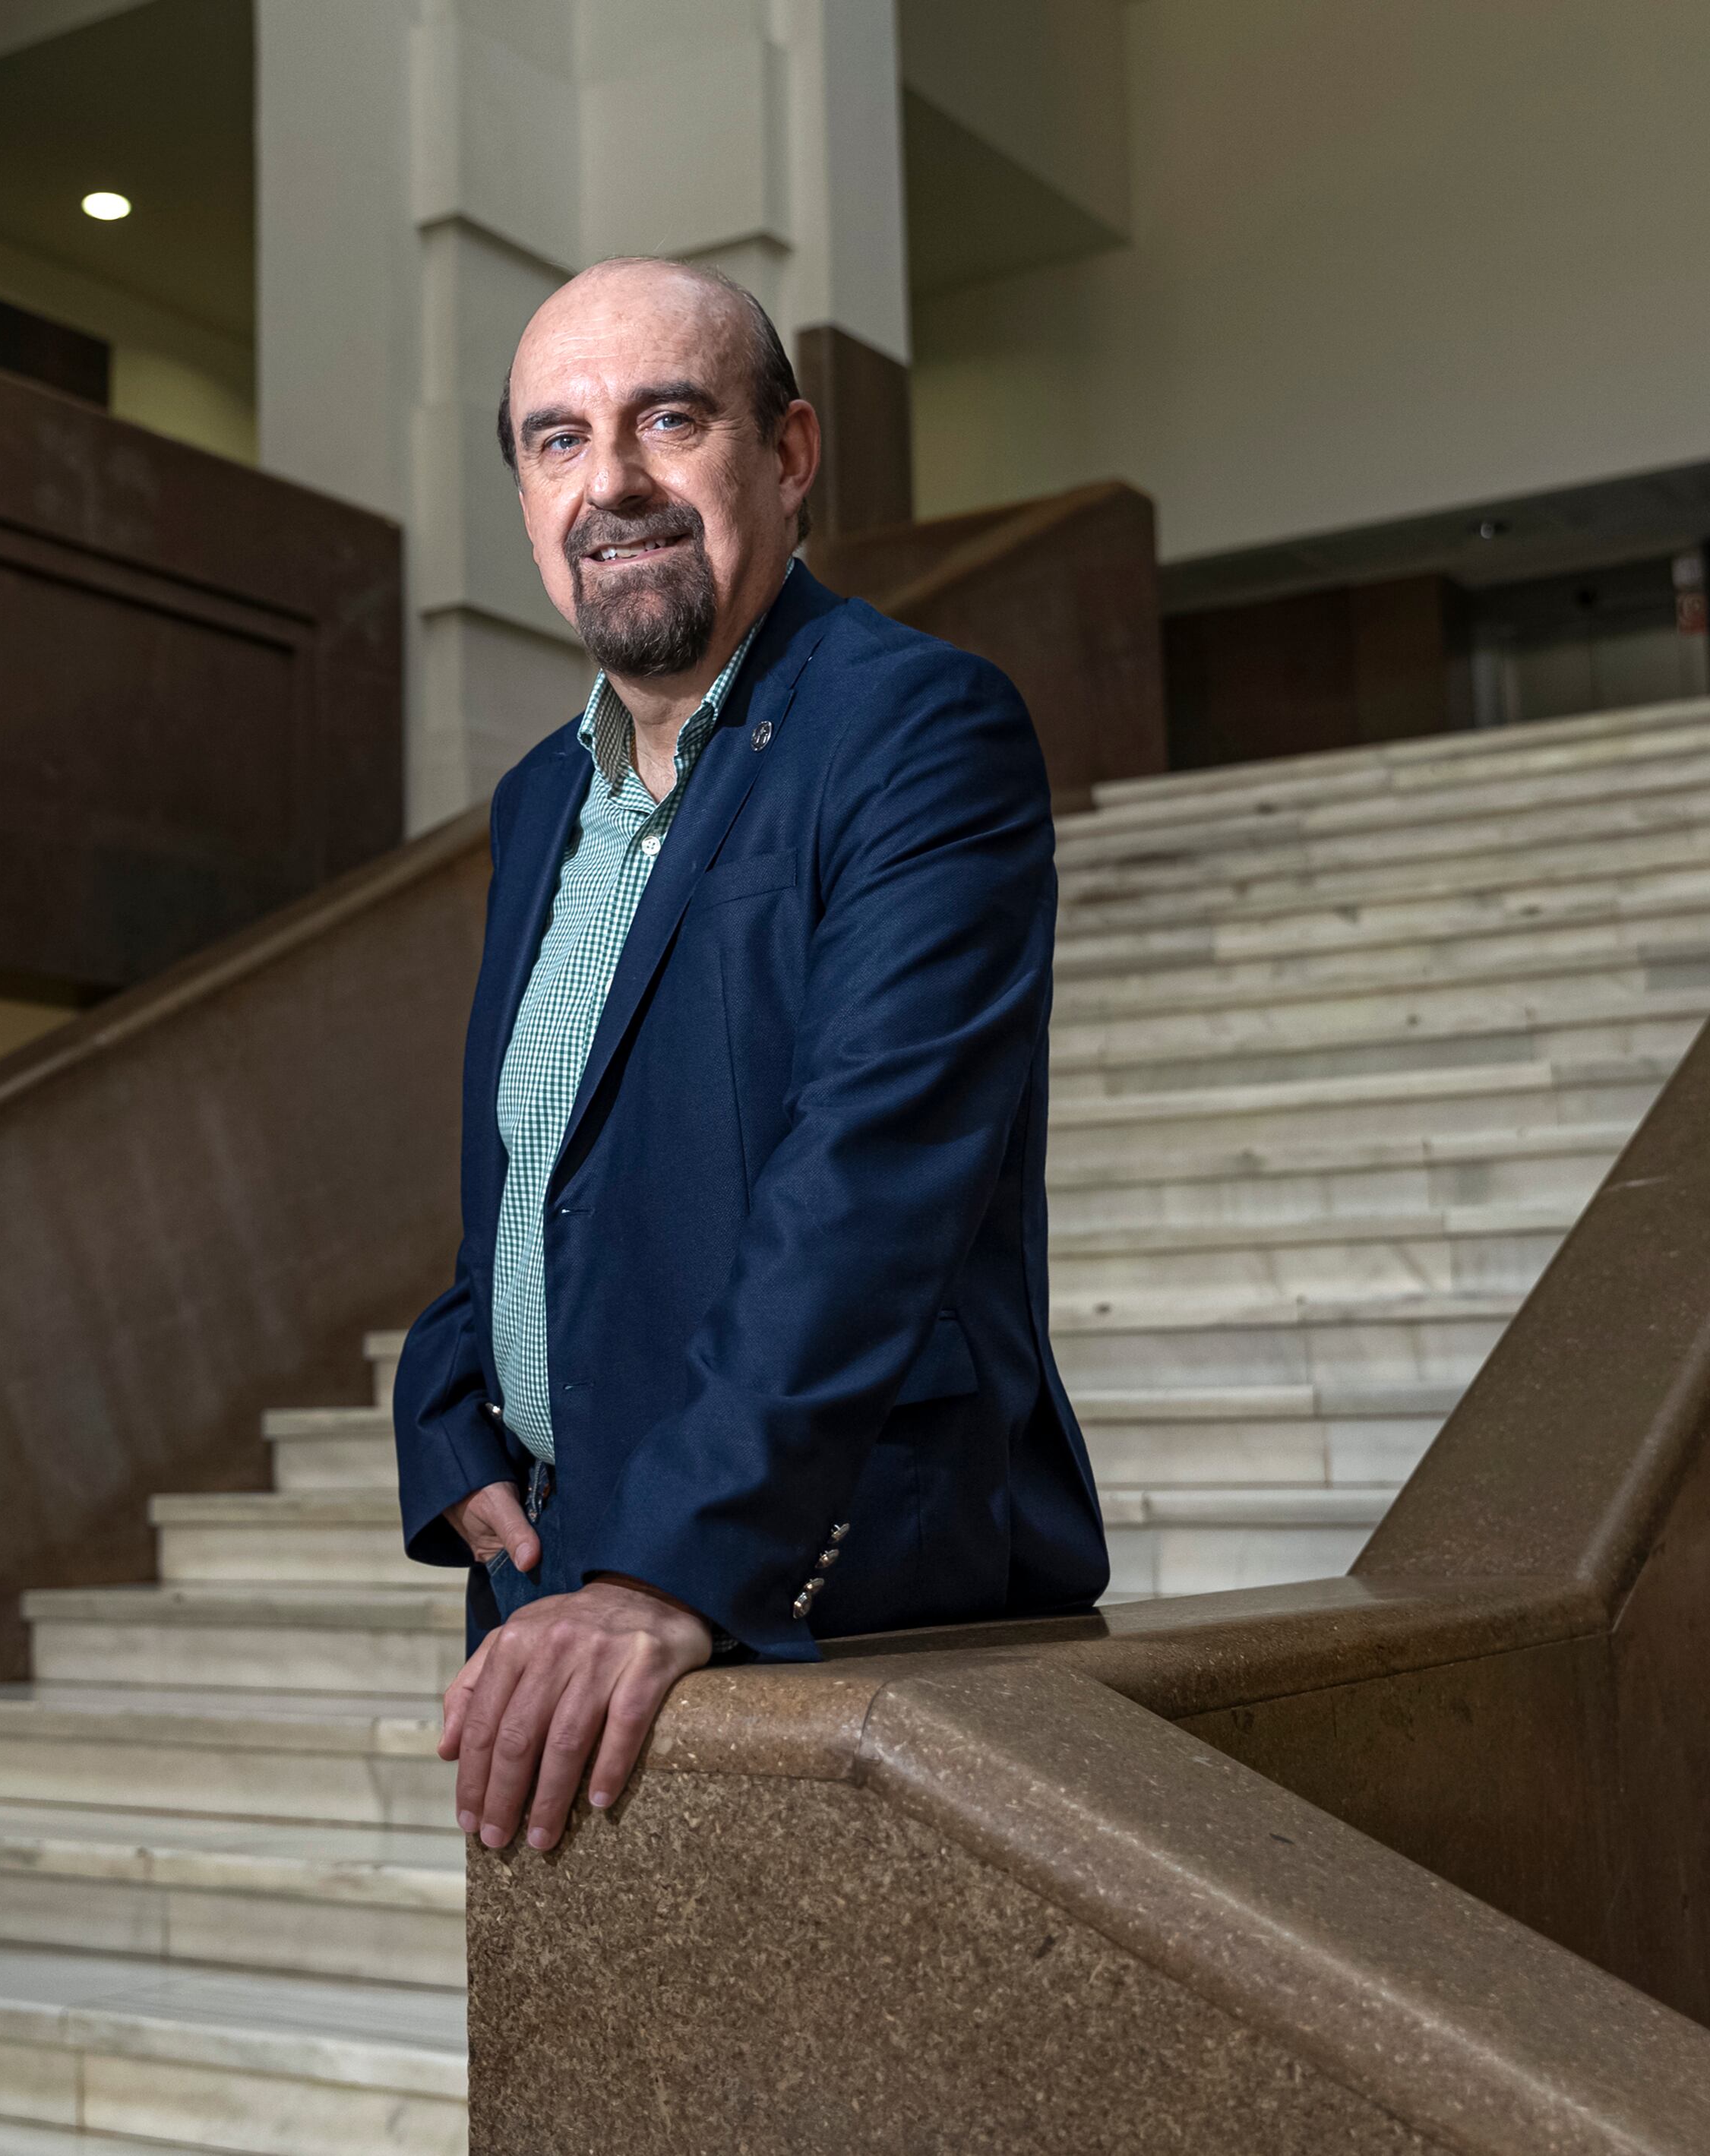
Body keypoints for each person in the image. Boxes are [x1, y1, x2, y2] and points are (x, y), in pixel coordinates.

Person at [392, 256, 1108, 1859]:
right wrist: (445, 1404)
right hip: (560, 1584)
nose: (614, 484)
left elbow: (870, 1183)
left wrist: (668, 1566)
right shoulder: (534, 802)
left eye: (667, 419)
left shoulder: (918, 733)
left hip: (810, 1584)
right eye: (558, 441)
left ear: (786, 455)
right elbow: (533, 1168)